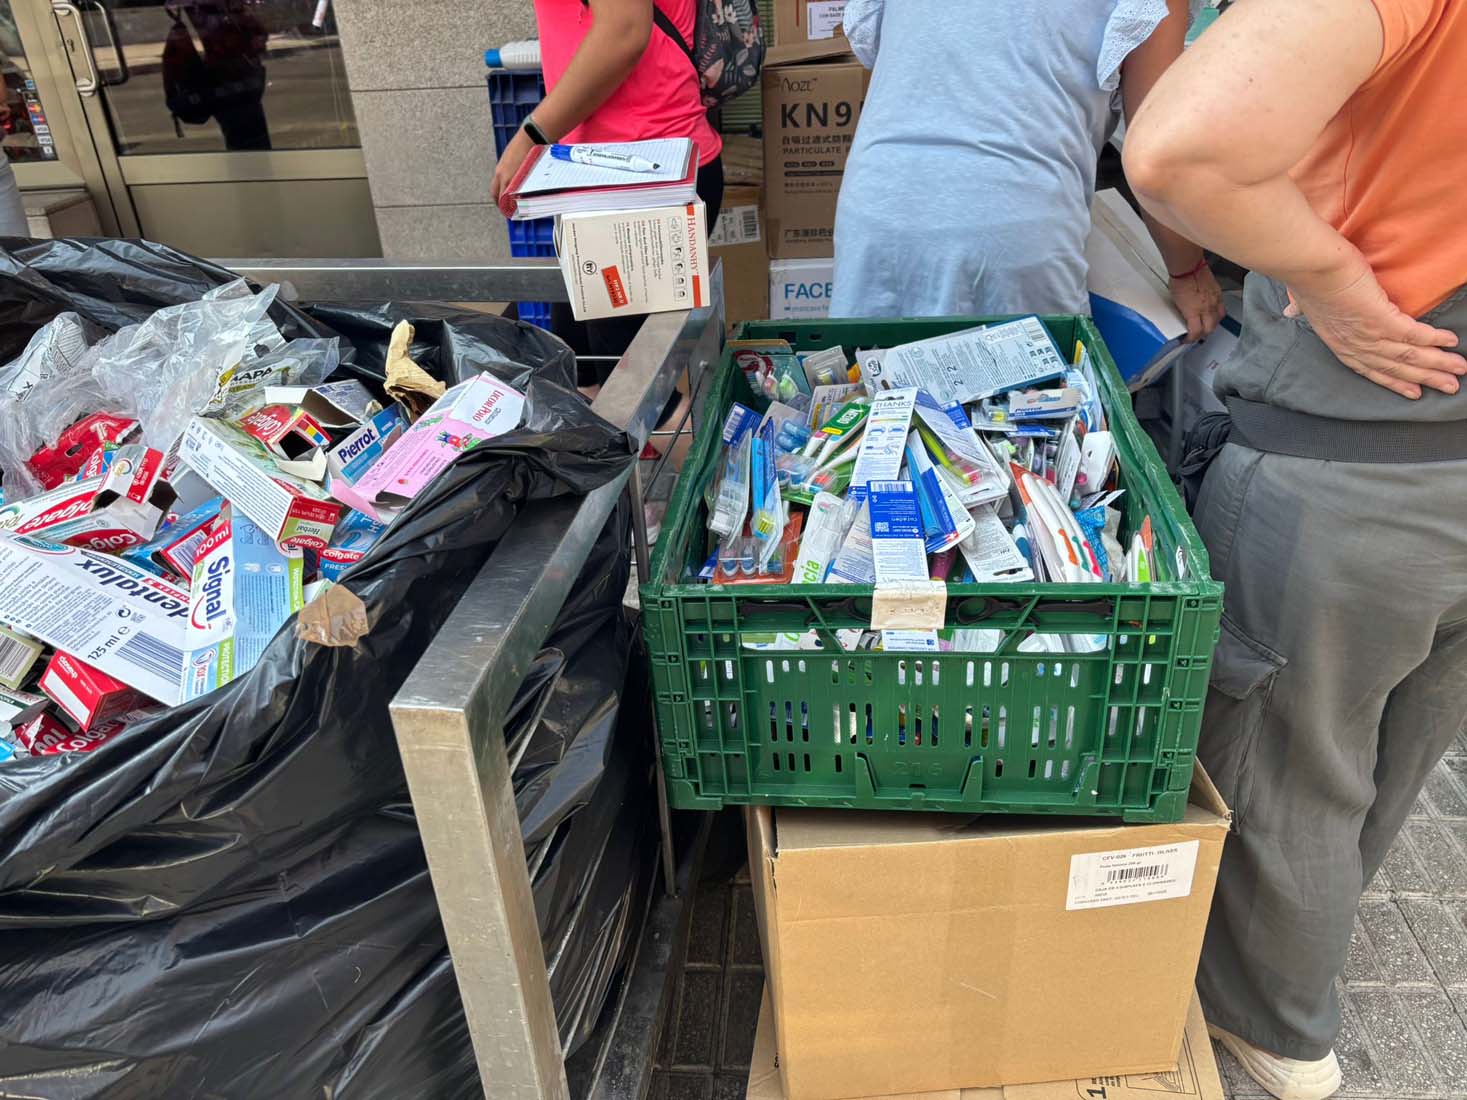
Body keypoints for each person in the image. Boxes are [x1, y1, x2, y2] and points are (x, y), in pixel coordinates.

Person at [1122, 2, 1467, 1097]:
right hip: (1443, 458)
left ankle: (1272, 1024)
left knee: (1290, 761)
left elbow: (1180, 149)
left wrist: (1327, 277)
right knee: (1393, 736)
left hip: (1353, 449)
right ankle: (1307, 942)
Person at [828, 0, 1224, 342]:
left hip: (878, 210)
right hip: (1010, 221)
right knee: (1024, 423)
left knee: (875, 416)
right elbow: (1156, 155)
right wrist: (1188, 272)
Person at [495, 0, 725, 377]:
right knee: (584, 373)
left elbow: (624, 31)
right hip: (596, 175)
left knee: (635, 396)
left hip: (641, 177)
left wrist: (531, 136)